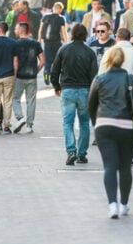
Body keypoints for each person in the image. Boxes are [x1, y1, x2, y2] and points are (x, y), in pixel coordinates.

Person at [88, 47, 133, 219]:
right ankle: (124, 204)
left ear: (108, 60)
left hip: (104, 125)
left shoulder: (99, 79)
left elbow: (91, 104)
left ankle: (112, 204)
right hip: (126, 126)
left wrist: (96, 122)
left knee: (109, 166)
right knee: (125, 167)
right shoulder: (131, 80)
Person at [50, 24, 98, 165]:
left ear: (72, 34)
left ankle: (71, 151)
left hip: (67, 90)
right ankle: (82, 153)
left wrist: (56, 86)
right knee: (84, 123)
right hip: (85, 90)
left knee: (67, 122)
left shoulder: (64, 49)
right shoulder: (89, 52)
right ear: (84, 35)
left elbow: (55, 70)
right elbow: (94, 74)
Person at [12, 22, 44, 134]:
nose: (15, 31)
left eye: (16, 29)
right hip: (32, 76)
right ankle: (29, 126)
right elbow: (42, 60)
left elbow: (15, 62)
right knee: (31, 100)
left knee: (15, 98)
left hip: (19, 76)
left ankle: (20, 117)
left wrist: (14, 76)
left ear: (20, 30)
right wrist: (36, 71)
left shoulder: (15, 44)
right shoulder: (35, 43)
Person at [100, 28, 133, 98]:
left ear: (117, 38)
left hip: (112, 93)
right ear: (129, 38)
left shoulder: (108, 53)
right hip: (132, 93)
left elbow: (101, 74)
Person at [39, 2, 67, 85]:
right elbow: (63, 31)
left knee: (47, 61)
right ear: (61, 10)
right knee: (57, 61)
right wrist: (66, 42)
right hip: (57, 42)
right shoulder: (61, 18)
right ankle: (55, 78)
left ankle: (46, 75)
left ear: (53, 8)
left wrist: (39, 40)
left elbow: (40, 30)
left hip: (47, 42)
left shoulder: (45, 16)